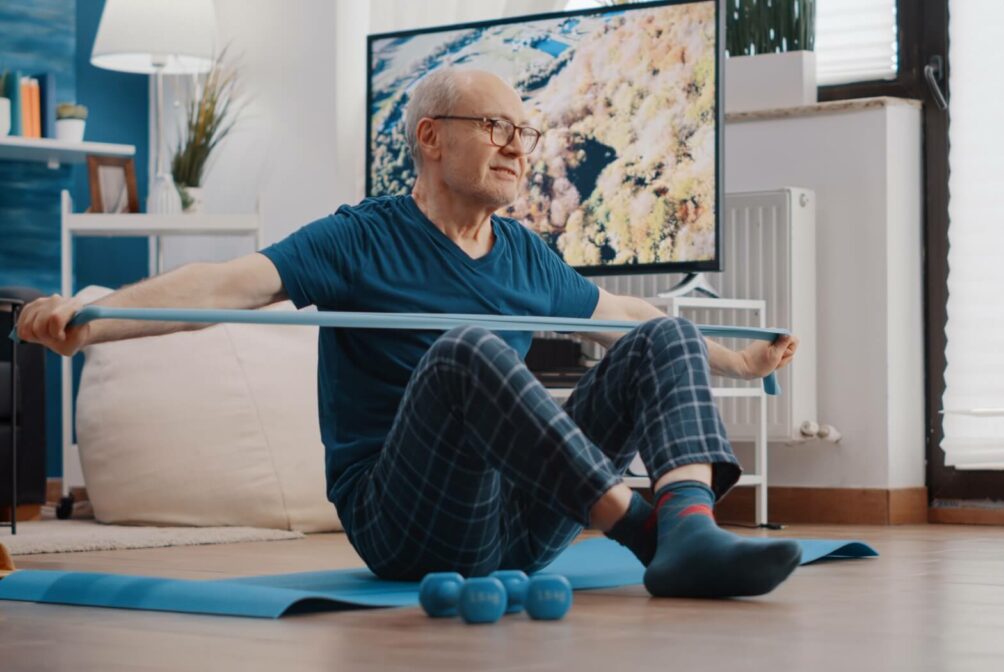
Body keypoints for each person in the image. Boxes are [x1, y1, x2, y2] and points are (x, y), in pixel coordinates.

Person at [16, 68, 801, 598]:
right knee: (466, 349)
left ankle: (689, 531)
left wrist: (736, 357)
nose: (516, 148)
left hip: (522, 521)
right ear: (430, 138)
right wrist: (90, 320)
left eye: (523, 134)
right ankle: (643, 533)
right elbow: (226, 283)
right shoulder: (359, 238)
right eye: (497, 126)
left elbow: (626, 320)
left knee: (659, 333)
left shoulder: (527, 255)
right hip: (407, 523)